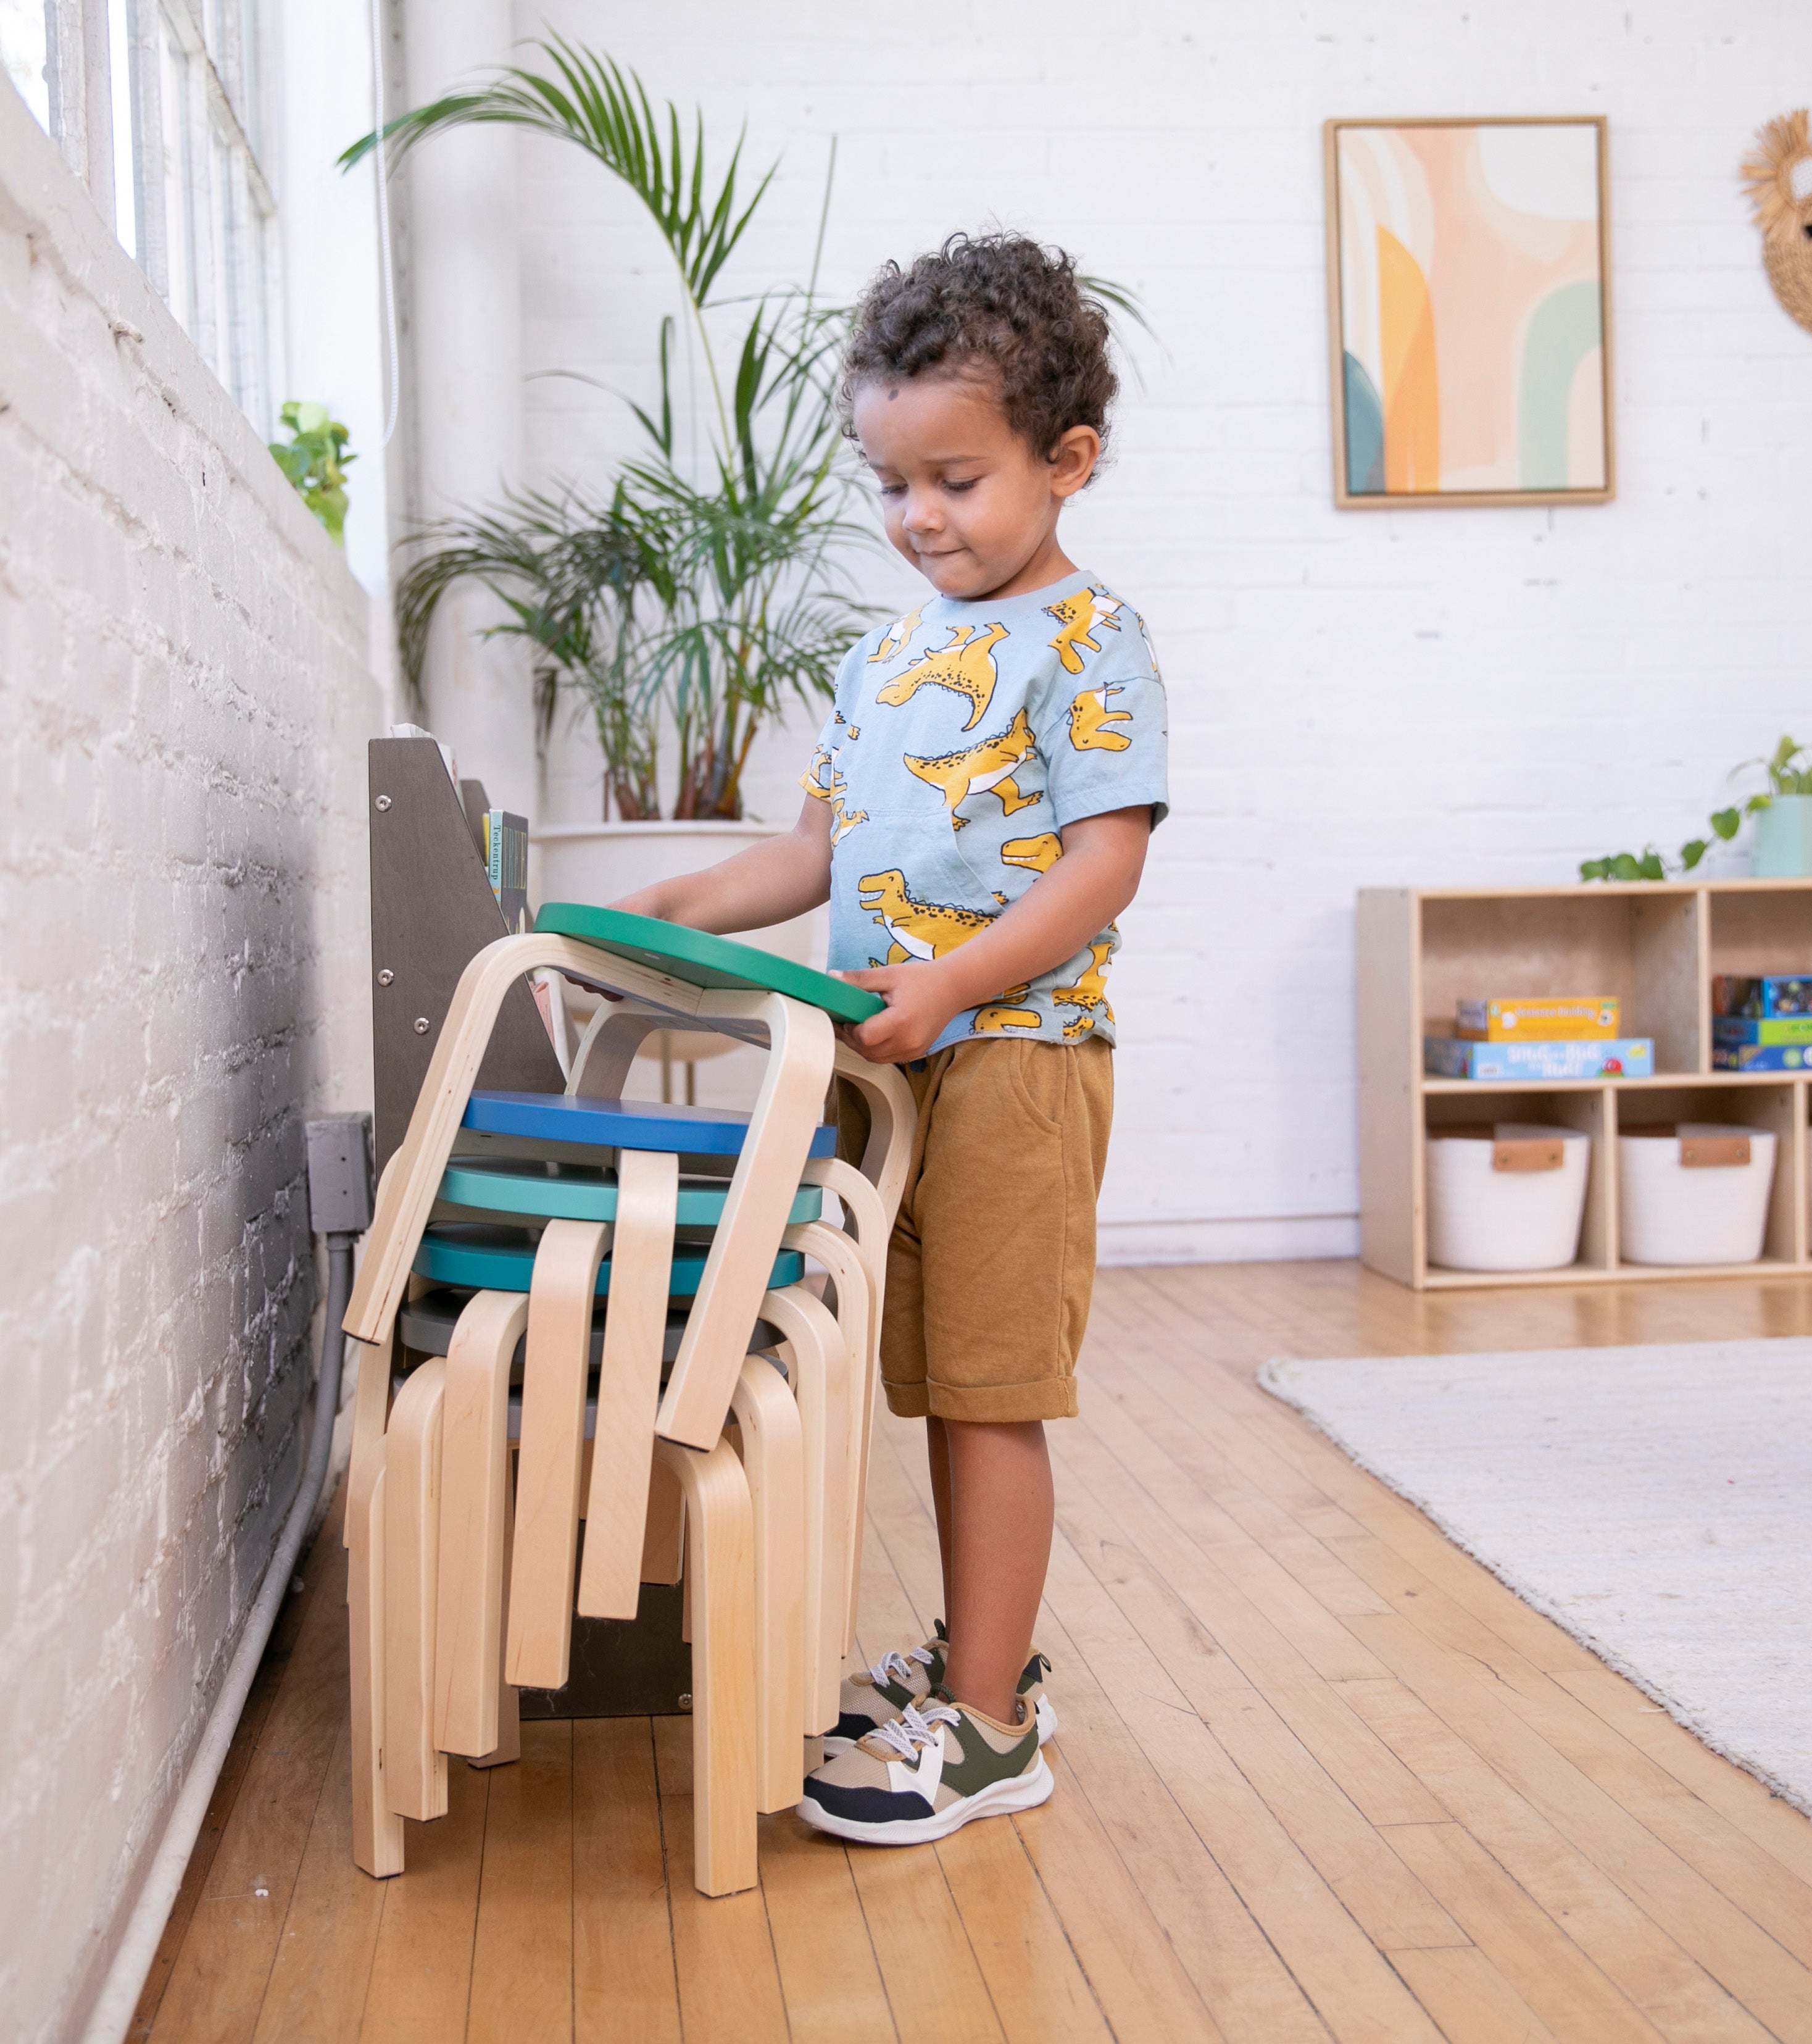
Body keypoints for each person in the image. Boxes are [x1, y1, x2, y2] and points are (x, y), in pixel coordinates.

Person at [614, 232, 1167, 1843]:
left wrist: (964, 985)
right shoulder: (879, 658)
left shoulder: (1090, 643)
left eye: (958, 479)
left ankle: (990, 1727)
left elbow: (1104, 860)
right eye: (893, 483)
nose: (921, 517)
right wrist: (690, 900)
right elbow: (817, 853)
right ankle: (969, 1660)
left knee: (991, 1389)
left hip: (1013, 1063)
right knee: (917, 1379)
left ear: (1065, 462)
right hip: (883, 1065)